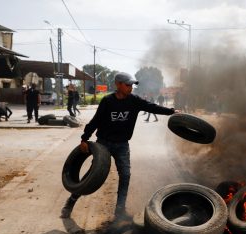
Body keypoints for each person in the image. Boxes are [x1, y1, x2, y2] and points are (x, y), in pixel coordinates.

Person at [60, 72, 180, 220]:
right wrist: (84, 139)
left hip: (122, 144)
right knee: (92, 173)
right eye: (128, 85)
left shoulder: (134, 101)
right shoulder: (107, 101)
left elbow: (152, 107)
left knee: (125, 175)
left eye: (132, 85)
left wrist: (171, 111)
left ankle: (120, 209)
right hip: (104, 143)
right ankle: (70, 203)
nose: (130, 88)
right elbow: (95, 121)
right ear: (118, 84)